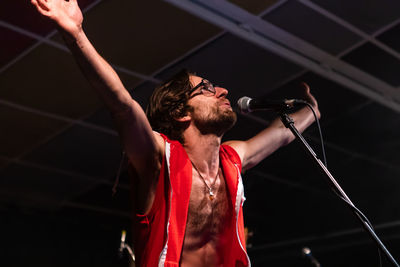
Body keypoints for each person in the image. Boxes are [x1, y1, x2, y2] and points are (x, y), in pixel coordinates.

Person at [31, 0, 320, 266]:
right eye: (206, 89)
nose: (223, 91)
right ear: (182, 113)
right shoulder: (159, 158)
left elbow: (283, 132)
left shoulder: (232, 160)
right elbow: (121, 104)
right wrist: (76, 34)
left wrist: (313, 112)